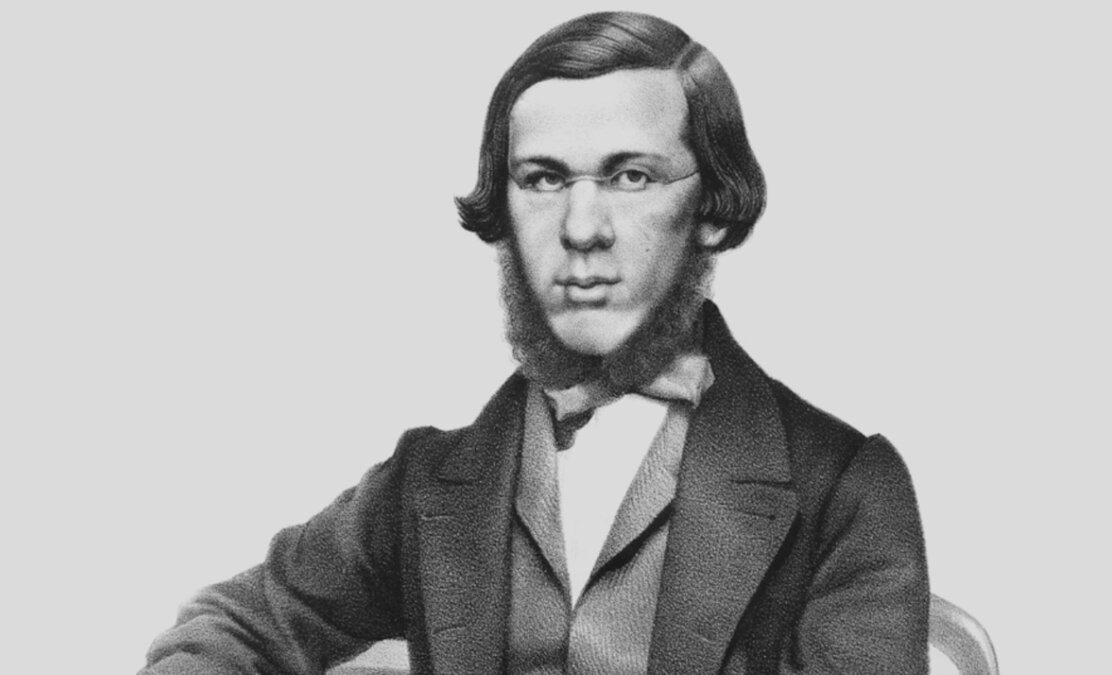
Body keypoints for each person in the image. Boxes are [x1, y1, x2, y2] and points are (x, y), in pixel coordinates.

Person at [141, 11, 928, 675]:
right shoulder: (425, 481)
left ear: (715, 207)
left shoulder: (846, 491)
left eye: (631, 176)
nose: (581, 229)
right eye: (544, 179)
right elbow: (225, 627)